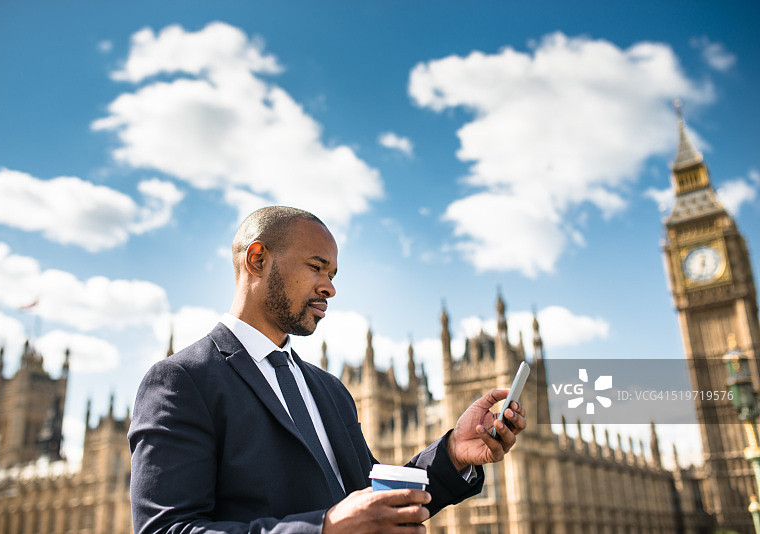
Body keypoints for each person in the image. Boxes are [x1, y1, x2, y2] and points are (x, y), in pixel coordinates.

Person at [129, 206, 527, 534]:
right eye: (317, 267)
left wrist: (455, 453)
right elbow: (167, 530)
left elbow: (374, 497)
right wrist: (324, 528)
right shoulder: (183, 381)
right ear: (257, 259)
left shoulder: (329, 390)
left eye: (332, 274)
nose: (329, 288)